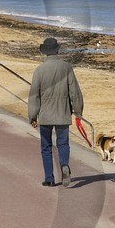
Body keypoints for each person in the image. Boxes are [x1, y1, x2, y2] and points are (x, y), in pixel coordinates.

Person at [27, 36, 83, 187]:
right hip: (62, 113)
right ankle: (64, 164)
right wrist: (78, 111)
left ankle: (49, 178)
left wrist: (32, 116)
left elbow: (34, 96)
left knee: (46, 146)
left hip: (45, 114)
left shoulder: (39, 70)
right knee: (63, 144)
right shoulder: (67, 67)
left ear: (45, 52)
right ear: (57, 50)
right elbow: (75, 92)